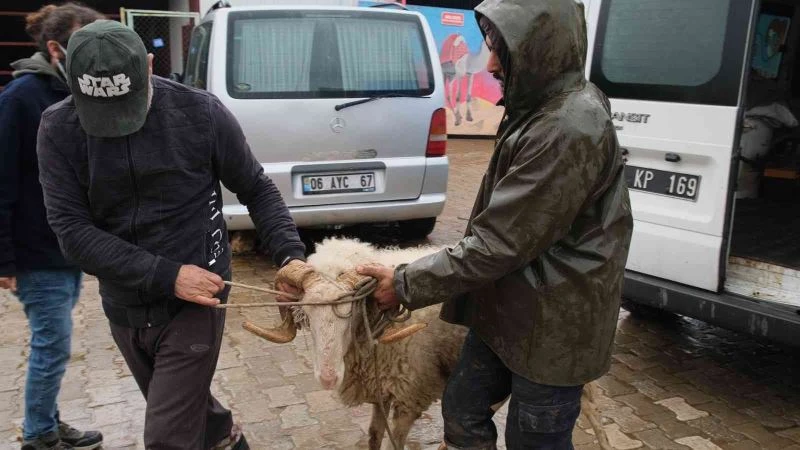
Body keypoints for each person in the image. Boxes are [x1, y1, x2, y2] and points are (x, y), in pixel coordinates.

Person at [354, 0, 634, 448]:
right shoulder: (539, 104)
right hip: (509, 309)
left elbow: (499, 242)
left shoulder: (568, 126)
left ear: (541, 51)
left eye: (504, 50)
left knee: (533, 439)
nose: (490, 64)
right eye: (492, 47)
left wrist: (405, 283)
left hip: (555, 325)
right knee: (463, 411)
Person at [36, 20, 308, 450]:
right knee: (193, 415)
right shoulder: (58, 128)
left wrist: (290, 257)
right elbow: (71, 231)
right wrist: (166, 274)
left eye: (128, 104)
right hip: (124, 302)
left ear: (148, 65)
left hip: (199, 297)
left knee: (167, 437)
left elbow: (256, 187)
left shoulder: (201, 112)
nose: (119, 127)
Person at [0, 4, 105, 450]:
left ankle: (48, 420)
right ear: (56, 48)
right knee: (52, 344)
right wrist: (4, 257)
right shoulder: (21, 98)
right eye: (86, 42)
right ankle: (39, 436)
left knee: (53, 343)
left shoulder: (73, 90)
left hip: (64, 245)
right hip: (33, 248)